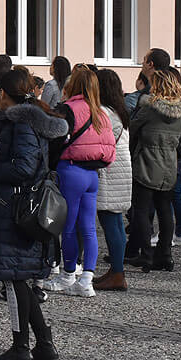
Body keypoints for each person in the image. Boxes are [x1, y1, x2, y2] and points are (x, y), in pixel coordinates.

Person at [0, 68, 66, 360]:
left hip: (14, 210)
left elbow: (24, 168)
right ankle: (44, 345)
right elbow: (22, 157)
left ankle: (20, 348)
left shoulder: (22, 123)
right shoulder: (24, 121)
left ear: (2, 93)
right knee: (19, 279)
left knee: (13, 280)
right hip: (17, 207)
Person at [43, 67, 116, 297]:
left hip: (71, 170)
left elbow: (55, 139)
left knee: (68, 226)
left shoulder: (68, 109)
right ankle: (86, 280)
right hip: (92, 174)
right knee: (88, 228)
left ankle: (67, 274)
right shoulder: (101, 113)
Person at [127, 70, 181, 272]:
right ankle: (165, 254)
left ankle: (146, 253)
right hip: (169, 163)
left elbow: (132, 129)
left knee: (141, 210)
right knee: (165, 210)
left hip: (146, 160)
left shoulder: (149, 108)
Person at [93, 69, 133, 291]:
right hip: (121, 169)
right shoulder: (120, 111)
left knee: (110, 221)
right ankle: (116, 270)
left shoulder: (104, 113)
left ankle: (118, 273)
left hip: (109, 172)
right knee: (116, 221)